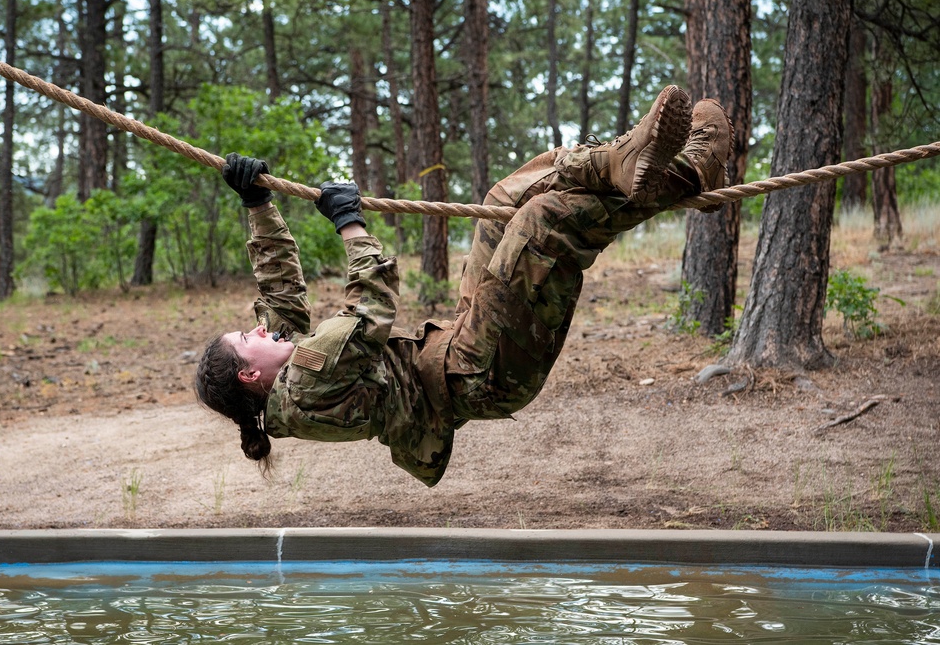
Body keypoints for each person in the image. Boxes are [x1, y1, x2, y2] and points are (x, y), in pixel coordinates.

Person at [195, 85, 732, 486]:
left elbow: (281, 298)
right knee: (540, 223)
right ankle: (689, 168)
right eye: (248, 336)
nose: (259, 328)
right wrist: (350, 224)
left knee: (501, 205)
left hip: (459, 344)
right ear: (249, 372)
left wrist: (256, 205)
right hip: (483, 373)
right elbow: (373, 306)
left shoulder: (281, 369)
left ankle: (619, 161)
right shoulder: (304, 387)